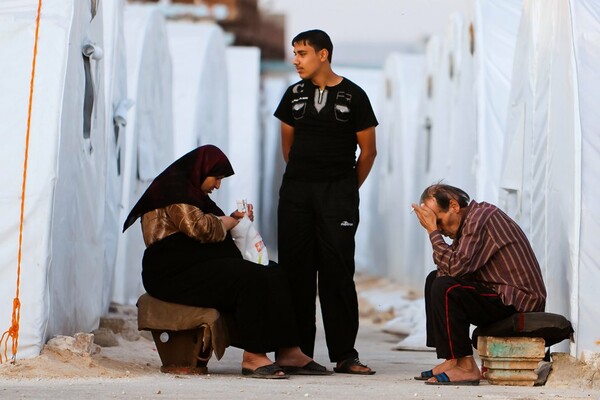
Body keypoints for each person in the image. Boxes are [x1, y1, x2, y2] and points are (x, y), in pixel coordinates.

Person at [123, 145, 332, 379]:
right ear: (201, 170)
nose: (218, 185)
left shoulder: (193, 194)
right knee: (248, 277)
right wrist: (232, 221)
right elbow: (200, 228)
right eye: (217, 177)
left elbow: (216, 224)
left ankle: (289, 351)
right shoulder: (174, 191)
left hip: (194, 264)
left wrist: (236, 220)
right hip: (171, 271)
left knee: (273, 272)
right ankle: (253, 356)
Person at [274, 29, 378, 375]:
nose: (295, 60)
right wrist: (306, 179)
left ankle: (345, 355)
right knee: (295, 272)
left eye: (302, 53)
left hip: (338, 194)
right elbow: (288, 147)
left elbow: (369, 151)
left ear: (323, 54)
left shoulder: (355, 95)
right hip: (296, 193)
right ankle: (297, 352)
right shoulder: (293, 95)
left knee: (337, 272)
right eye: (294, 53)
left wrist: (347, 187)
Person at [411, 183, 547, 385]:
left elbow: (455, 268)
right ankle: (453, 360)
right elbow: (448, 269)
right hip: (498, 294)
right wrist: (436, 231)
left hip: (518, 300)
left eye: (439, 220)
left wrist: (432, 232)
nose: (439, 228)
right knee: (435, 280)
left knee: (445, 287)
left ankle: (467, 367)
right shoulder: (466, 224)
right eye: (435, 224)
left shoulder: (481, 217)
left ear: (454, 206)